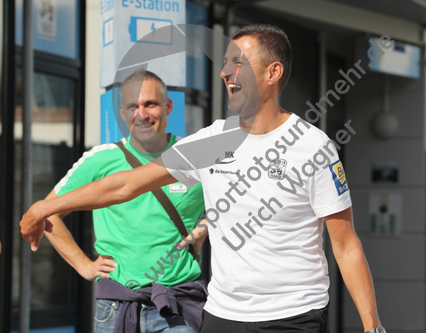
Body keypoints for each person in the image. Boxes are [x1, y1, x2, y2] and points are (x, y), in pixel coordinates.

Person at [21, 24, 385, 333]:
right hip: (221, 315)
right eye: (225, 64)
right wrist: (45, 206)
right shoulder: (212, 141)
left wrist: (373, 326)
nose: (226, 73)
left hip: (293, 315)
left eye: (238, 63)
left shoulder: (313, 147)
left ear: (272, 73)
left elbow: (345, 244)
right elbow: (126, 184)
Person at [40, 70, 207, 333]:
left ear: (168, 106)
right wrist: (84, 265)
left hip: (177, 306)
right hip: (116, 307)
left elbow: (234, 202)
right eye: (133, 106)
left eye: (150, 104)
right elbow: (48, 213)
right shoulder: (100, 159)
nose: (141, 114)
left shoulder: (193, 158)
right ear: (122, 112)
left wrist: (203, 229)